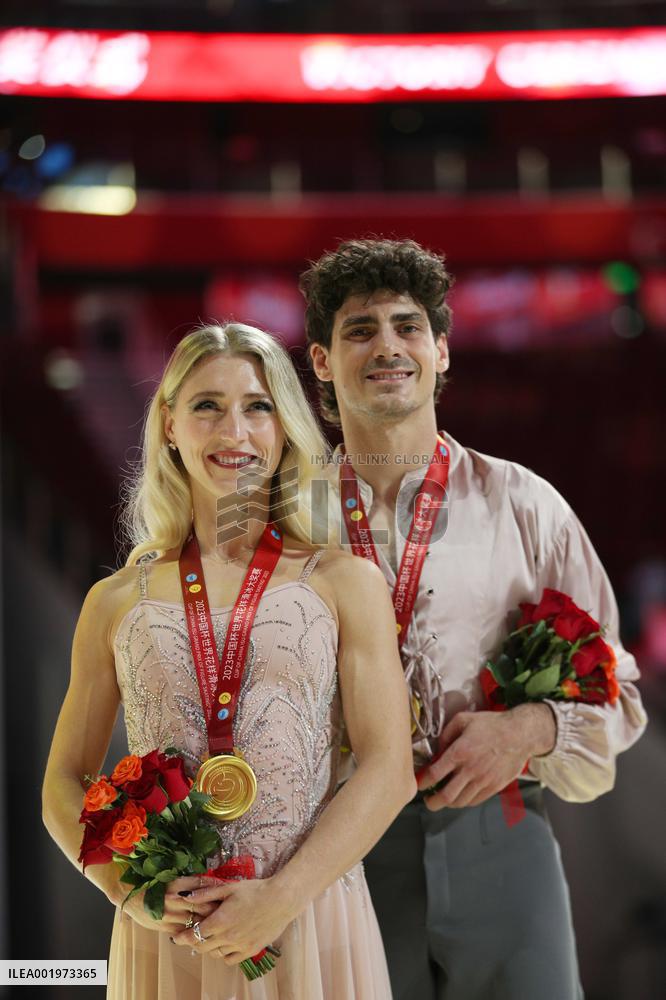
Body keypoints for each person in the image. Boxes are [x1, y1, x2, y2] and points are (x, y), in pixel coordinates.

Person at [300, 238, 648, 1000]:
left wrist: (530, 729)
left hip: (504, 831)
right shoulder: (276, 521)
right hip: (336, 852)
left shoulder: (526, 504)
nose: (387, 346)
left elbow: (617, 687)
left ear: (443, 351)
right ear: (322, 362)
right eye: (359, 330)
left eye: (407, 326)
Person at [42, 321, 416, 1000]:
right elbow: (63, 783)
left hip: (308, 921)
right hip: (167, 939)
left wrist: (281, 897)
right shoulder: (114, 600)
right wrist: (127, 890)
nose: (234, 431)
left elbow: (390, 770)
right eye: (207, 405)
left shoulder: (345, 580)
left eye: (258, 406)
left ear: (286, 428)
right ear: (170, 424)